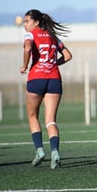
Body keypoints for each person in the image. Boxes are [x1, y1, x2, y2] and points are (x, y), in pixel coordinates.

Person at [19, 9, 72, 169]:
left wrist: (25, 65)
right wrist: (54, 64)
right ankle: (55, 151)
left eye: (26, 21)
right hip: (54, 79)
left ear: (36, 22)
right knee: (50, 120)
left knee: (32, 115)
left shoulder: (30, 34)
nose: (25, 25)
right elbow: (68, 55)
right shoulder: (53, 36)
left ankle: (40, 150)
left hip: (37, 78)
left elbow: (28, 48)